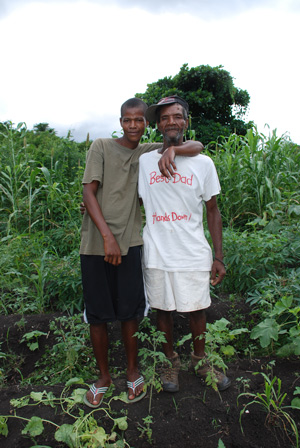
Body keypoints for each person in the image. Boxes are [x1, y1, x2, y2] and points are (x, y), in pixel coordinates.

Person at [80, 97, 204, 407]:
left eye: (139, 120)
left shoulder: (149, 152)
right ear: (120, 122)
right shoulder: (101, 146)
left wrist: (174, 149)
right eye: (127, 120)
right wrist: (107, 236)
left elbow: (197, 145)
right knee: (98, 315)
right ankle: (104, 376)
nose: (134, 125)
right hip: (97, 244)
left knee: (131, 313)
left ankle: (133, 371)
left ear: (146, 125)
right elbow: (88, 191)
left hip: (132, 243)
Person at [138, 95, 231, 392]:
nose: (171, 122)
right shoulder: (145, 162)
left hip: (192, 251)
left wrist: (219, 256)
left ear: (186, 122)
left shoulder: (203, 163)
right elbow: (133, 199)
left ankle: (200, 360)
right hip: (157, 250)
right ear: (157, 125)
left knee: (197, 310)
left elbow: (213, 211)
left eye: (177, 116)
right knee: (162, 310)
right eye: (164, 118)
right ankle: (169, 361)